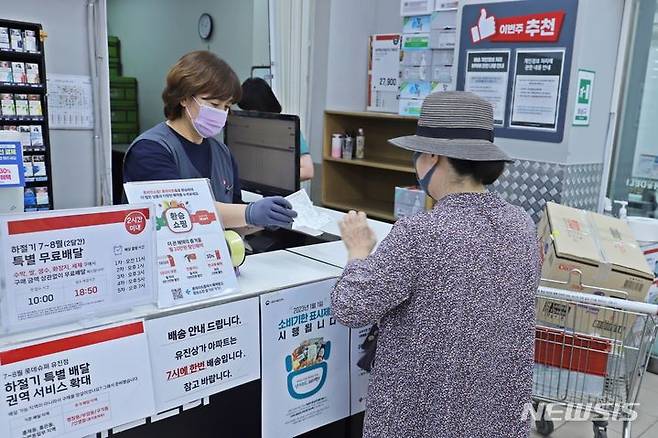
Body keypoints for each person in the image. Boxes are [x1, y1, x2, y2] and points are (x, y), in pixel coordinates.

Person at [331, 92, 540, 437]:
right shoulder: (521, 224)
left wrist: (358, 251)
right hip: (496, 414)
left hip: (422, 417)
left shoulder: (420, 233)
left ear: (432, 155)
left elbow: (350, 307)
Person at [123, 51, 297, 229]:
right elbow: (177, 212)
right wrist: (249, 213)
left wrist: (265, 220)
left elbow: (233, 217)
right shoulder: (150, 150)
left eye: (226, 106)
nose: (221, 113)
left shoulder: (222, 153)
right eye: (214, 104)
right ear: (184, 98)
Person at [238, 77, 314, 181]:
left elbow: (308, 171)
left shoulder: (287, 128)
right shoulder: (244, 129)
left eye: (250, 111)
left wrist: (273, 176)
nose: (247, 116)